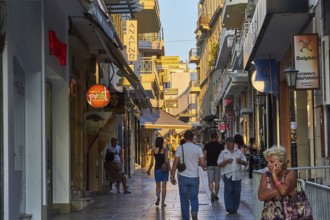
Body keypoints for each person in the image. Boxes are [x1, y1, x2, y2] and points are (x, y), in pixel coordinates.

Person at [170, 130, 206, 220]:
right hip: (194, 177)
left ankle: (186, 218)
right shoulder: (198, 149)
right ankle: (194, 211)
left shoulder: (180, 148)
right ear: (193, 137)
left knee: (184, 199)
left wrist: (172, 176)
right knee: (194, 197)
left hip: (183, 177)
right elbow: (202, 163)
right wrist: (200, 164)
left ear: (184, 138)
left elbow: (175, 163)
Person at [258, 146, 297, 219]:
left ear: (281, 162)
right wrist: (282, 188)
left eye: (271, 162)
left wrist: (274, 175)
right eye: (267, 162)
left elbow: (283, 191)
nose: (268, 164)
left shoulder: (291, 174)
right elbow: (261, 196)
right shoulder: (265, 176)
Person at [217, 137, 247, 214]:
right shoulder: (223, 153)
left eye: (233, 142)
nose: (232, 144)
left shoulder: (238, 152)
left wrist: (240, 161)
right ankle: (229, 207)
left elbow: (245, 162)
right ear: (227, 143)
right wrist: (226, 161)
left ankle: (235, 207)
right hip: (227, 175)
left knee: (237, 192)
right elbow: (219, 164)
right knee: (229, 190)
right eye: (230, 142)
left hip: (237, 175)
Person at [146, 137, 171, 207]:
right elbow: (166, 160)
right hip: (164, 170)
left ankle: (158, 198)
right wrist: (171, 169)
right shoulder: (165, 150)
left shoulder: (153, 150)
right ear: (162, 142)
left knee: (157, 186)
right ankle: (163, 202)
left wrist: (148, 170)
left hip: (157, 170)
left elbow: (151, 163)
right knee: (164, 187)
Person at [203, 132, 224, 202]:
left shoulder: (207, 145)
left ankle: (212, 192)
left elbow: (205, 155)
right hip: (218, 165)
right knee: (217, 181)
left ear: (211, 137)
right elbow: (222, 156)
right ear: (216, 137)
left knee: (210, 181)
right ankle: (216, 195)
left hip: (209, 165)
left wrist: (204, 164)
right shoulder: (220, 145)